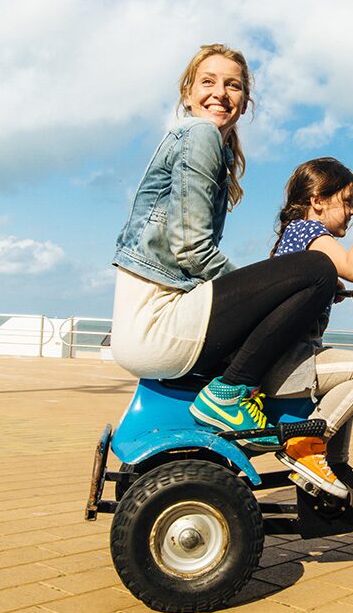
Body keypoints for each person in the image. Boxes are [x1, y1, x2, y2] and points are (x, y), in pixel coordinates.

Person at [110, 44, 337, 451]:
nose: (220, 93)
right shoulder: (199, 135)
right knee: (317, 269)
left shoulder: (212, 146)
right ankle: (229, 394)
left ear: (244, 102)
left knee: (303, 280)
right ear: (187, 92)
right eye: (208, 82)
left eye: (233, 85)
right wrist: (271, 292)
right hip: (160, 324)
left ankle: (239, 392)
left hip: (152, 322)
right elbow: (193, 251)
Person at [264, 157, 353, 497]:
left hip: (284, 358)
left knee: (343, 380)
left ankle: (335, 465)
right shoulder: (310, 231)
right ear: (317, 201)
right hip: (289, 363)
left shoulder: (294, 237)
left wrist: (329, 289)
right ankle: (306, 447)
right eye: (347, 202)